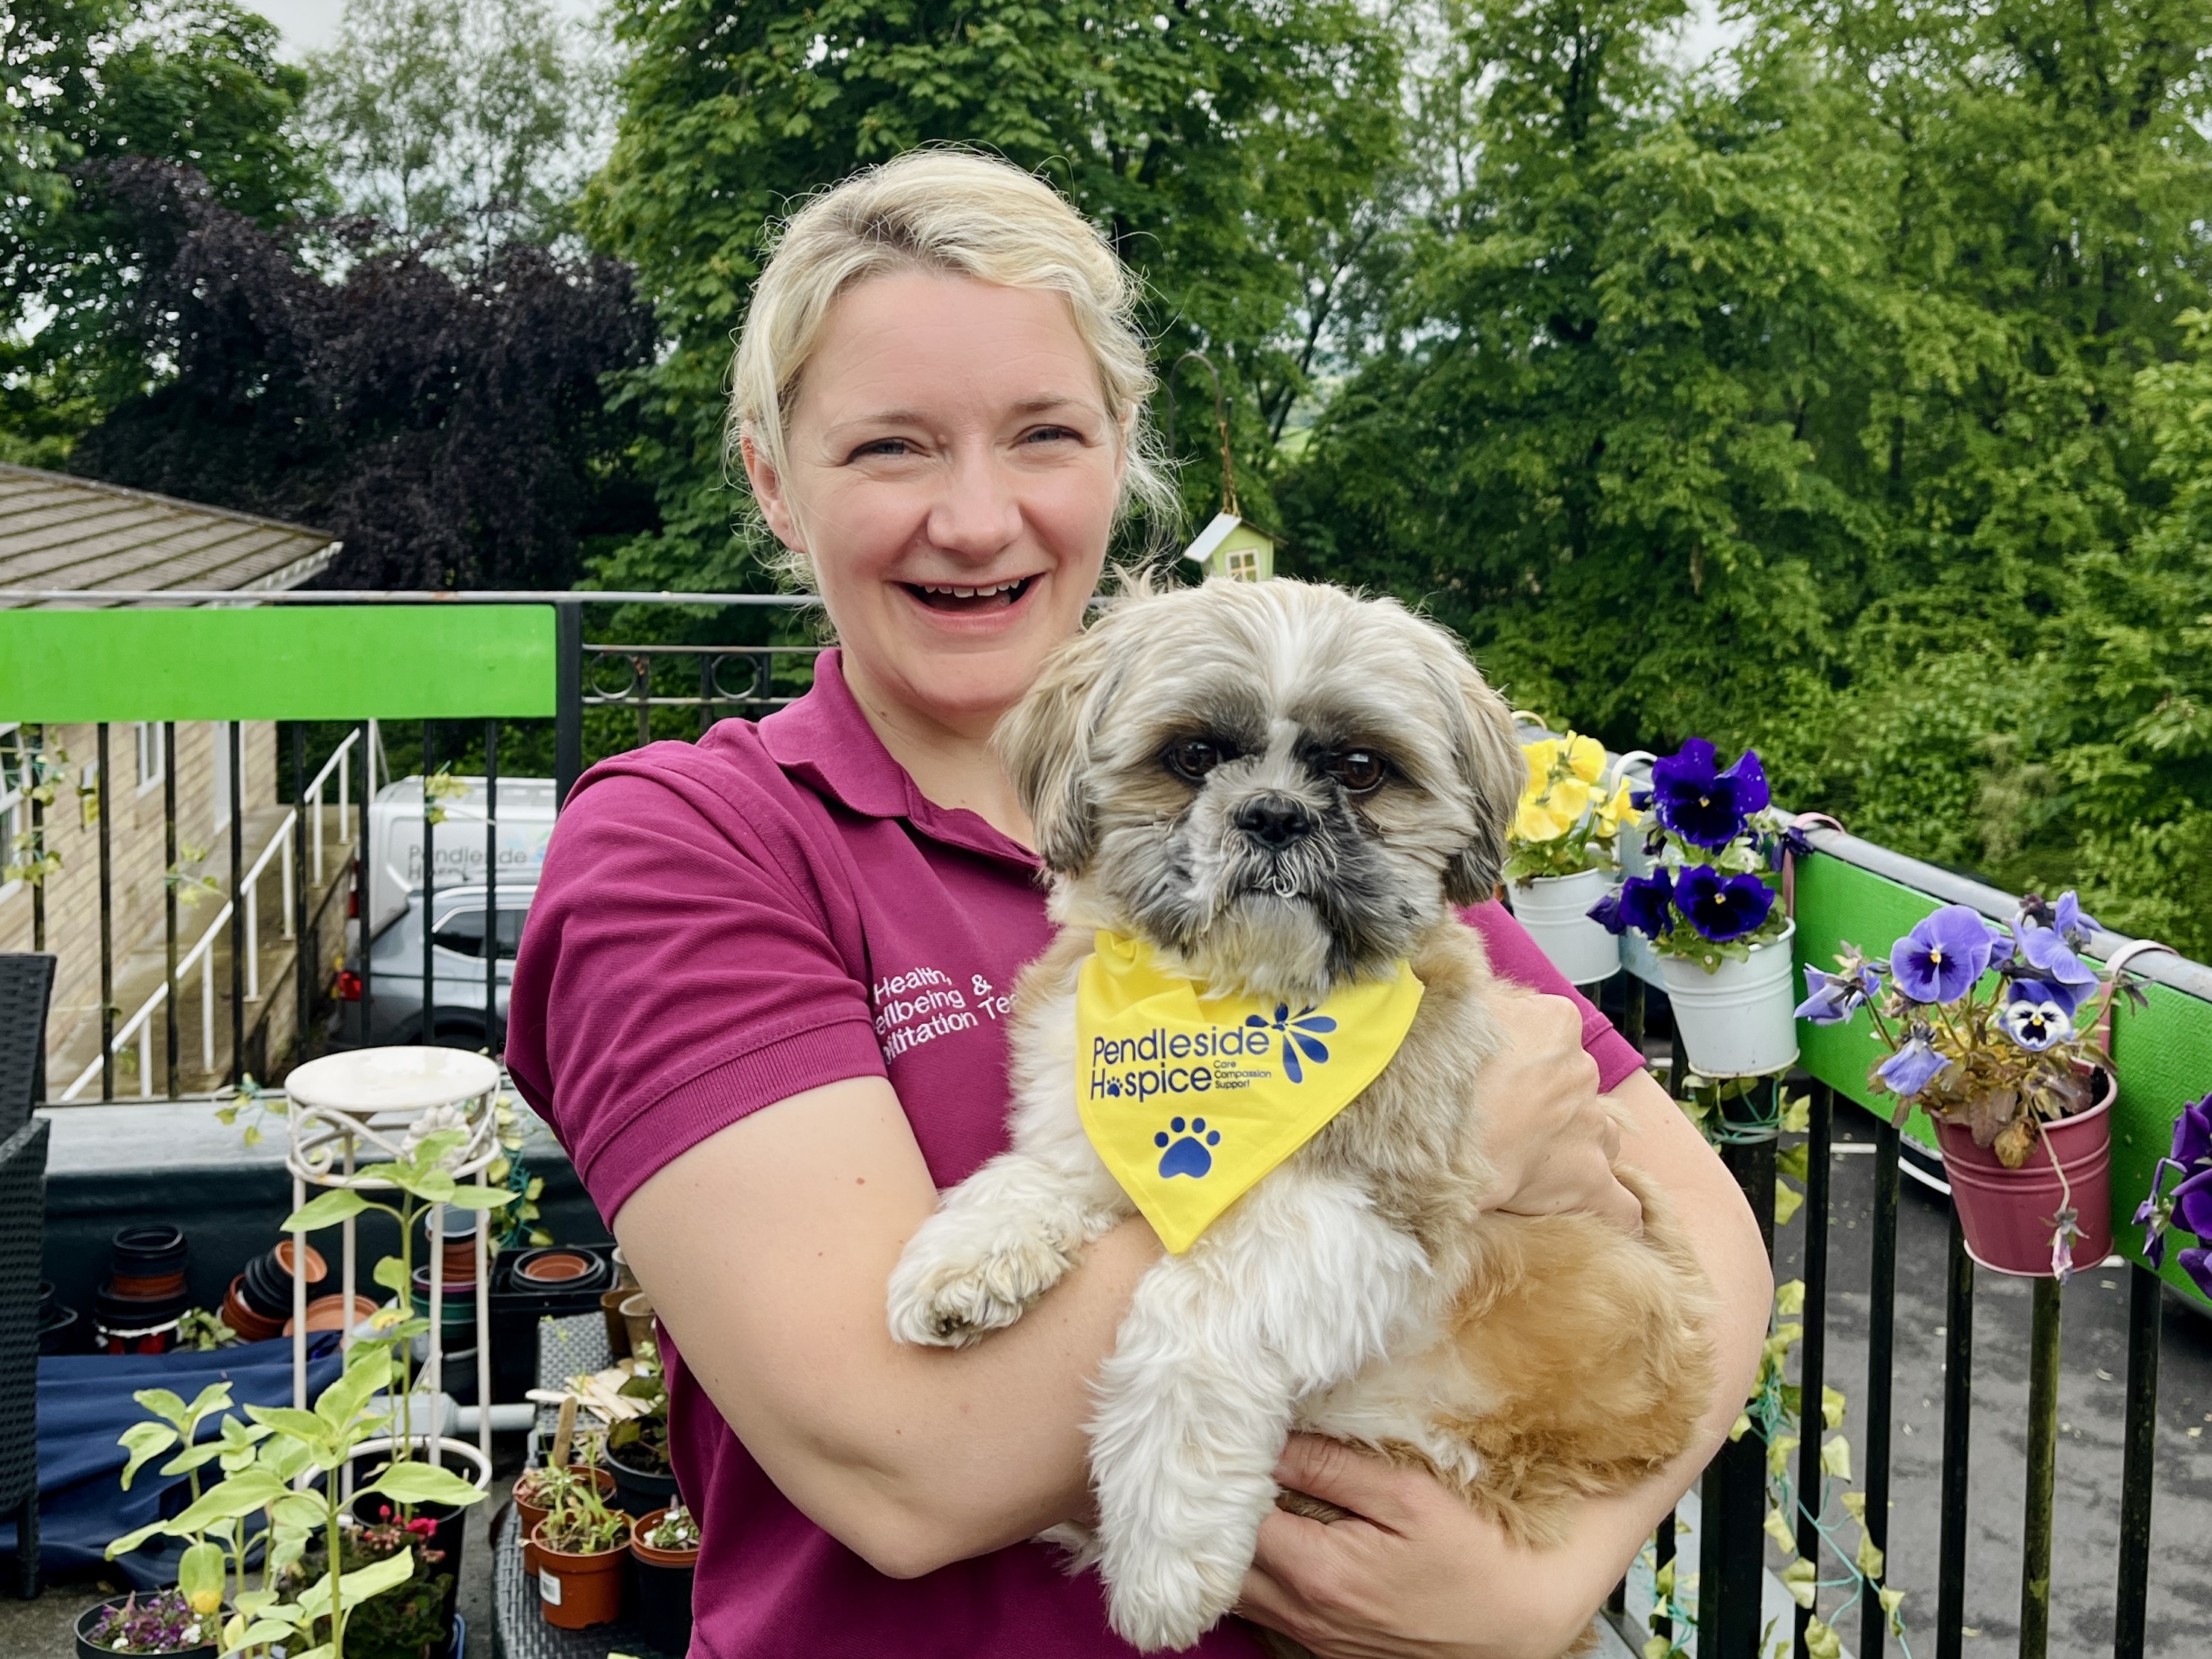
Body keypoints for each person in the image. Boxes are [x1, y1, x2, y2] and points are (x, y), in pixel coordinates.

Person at [505, 149, 1769, 1659]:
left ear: (1119, 452)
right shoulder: (695, 845)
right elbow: (902, 1463)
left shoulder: (1345, 847)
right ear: (774, 478)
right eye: (891, 448)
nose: (976, 521)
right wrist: (1424, 1160)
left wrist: (1550, 1574)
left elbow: (1710, 1238)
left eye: (1044, 433)